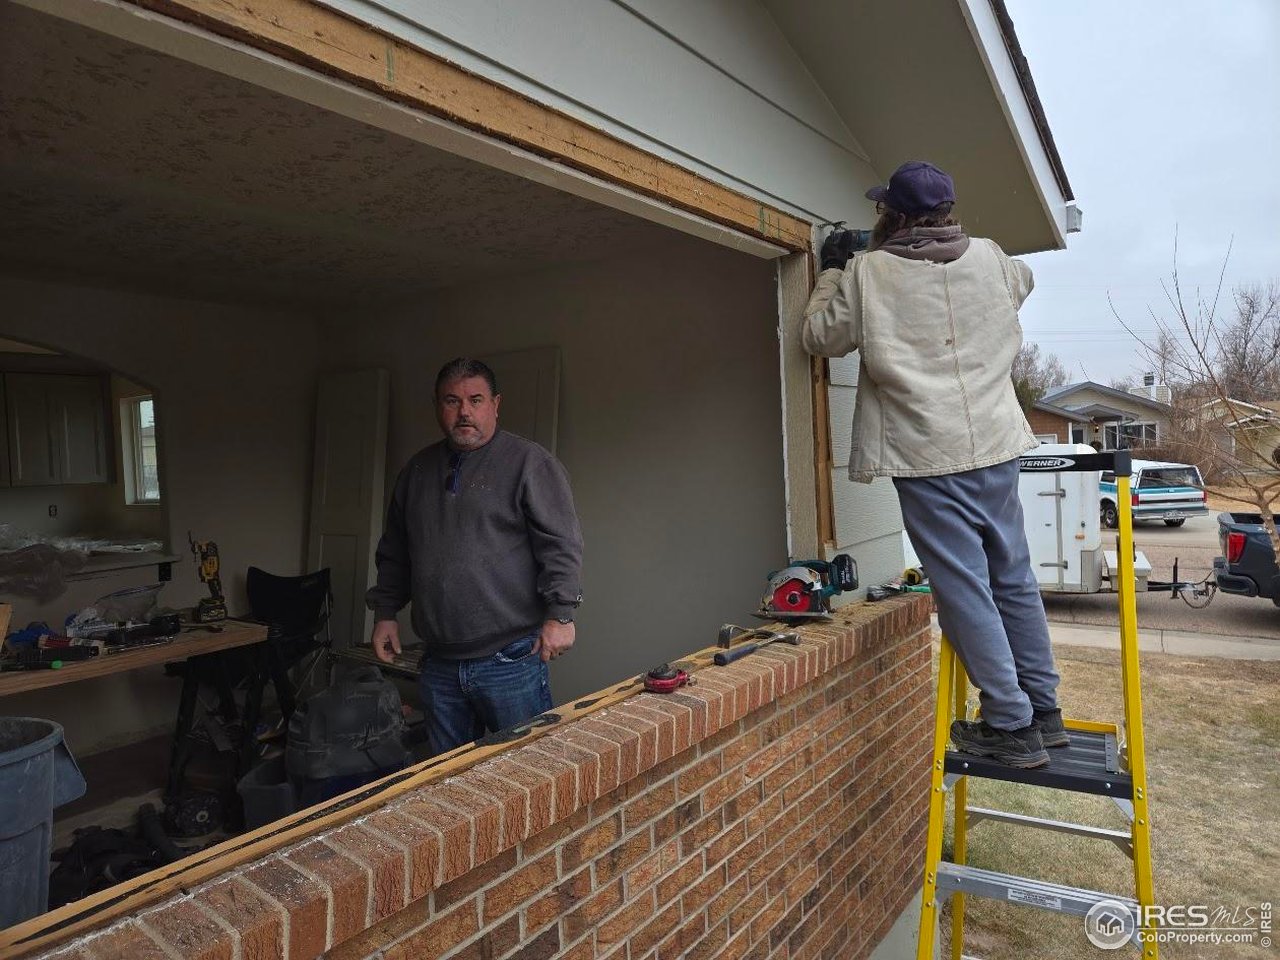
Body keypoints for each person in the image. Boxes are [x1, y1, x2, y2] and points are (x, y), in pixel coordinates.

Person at [802, 160, 1066, 769]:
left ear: (889, 213)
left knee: (964, 587)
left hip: (928, 454)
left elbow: (819, 336)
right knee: (1013, 576)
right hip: (996, 445)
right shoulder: (994, 258)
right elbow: (1020, 283)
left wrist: (834, 271)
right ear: (947, 212)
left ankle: (1010, 722)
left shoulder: (869, 274)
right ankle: (1043, 710)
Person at [366, 358, 583, 755]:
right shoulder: (416, 471)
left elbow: (561, 544)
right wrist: (384, 614)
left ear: (495, 405)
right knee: (449, 780)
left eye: (475, 399)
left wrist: (560, 614)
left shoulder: (529, 464)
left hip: (512, 659)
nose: (464, 411)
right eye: (452, 400)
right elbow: (395, 550)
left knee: (527, 772)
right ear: (437, 406)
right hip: (439, 663)